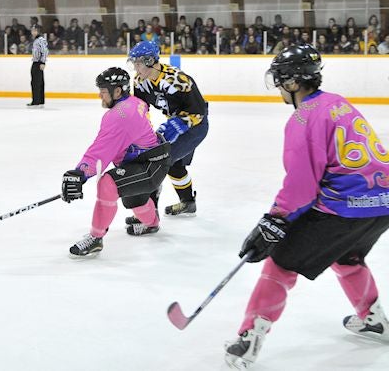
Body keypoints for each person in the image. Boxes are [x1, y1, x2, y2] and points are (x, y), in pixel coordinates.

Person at [224, 44, 389, 370]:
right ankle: (373, 318)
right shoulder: (338, 102)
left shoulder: (303, 117)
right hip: (383, 202)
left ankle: (249, 337)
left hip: (345, 208)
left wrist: (274, 221)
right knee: (346, 255)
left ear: (293, 83)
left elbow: (301, 187)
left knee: (281, 261)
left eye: (281, 79)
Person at [61, 67, 170, 256]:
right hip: (152, 162)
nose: (100, 96)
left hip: (148, 167)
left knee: (108, 184)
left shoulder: (120, 115)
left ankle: (95, 238)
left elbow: (102, 150)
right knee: (135, 201)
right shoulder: (133, 102)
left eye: (103, 91)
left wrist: (80, 173)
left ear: (117, 91)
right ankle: (152, 223)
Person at [124, 41, 208, 234]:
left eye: (138, 63)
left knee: (159, 162)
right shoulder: (140, 81)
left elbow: (199, 111)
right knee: (174, 164)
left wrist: (177, 124)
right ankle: (188, 202)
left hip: (195, 126)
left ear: (150, 61)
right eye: (133, 63)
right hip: (175, 124)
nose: (135, 68)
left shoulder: (178, 80)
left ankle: (148, 218)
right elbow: (141, 111)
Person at [27, 25, 48, 108]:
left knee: (36, 82)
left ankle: (36, 101)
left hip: (38, 62)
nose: (33, 32)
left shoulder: (41, 40)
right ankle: (39, 100)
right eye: (32, 30)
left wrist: (43, 62)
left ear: (38, 31)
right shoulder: (36, 40)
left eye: (35, 30)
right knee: (38, 81)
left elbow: (45, 51)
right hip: (36, 62)